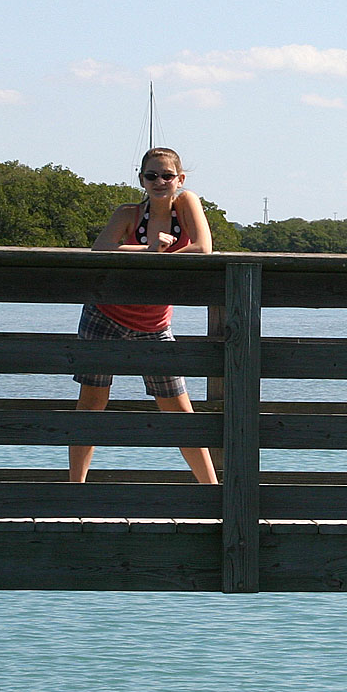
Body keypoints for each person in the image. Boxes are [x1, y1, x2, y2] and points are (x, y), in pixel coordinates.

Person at [69, 147, 218, 484]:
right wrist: (149, 249)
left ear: (180, 179)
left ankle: (212, 493)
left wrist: (165, 251)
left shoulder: (187, 203)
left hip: (154, 325)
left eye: (167, 175)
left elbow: (203, 247)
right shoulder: (128, 214)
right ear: (141, 180)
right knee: (91, 404)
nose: (160, 181)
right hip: (105, 316)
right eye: (151, 175)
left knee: (179, 411)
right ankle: (74, 490)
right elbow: (100, 251)